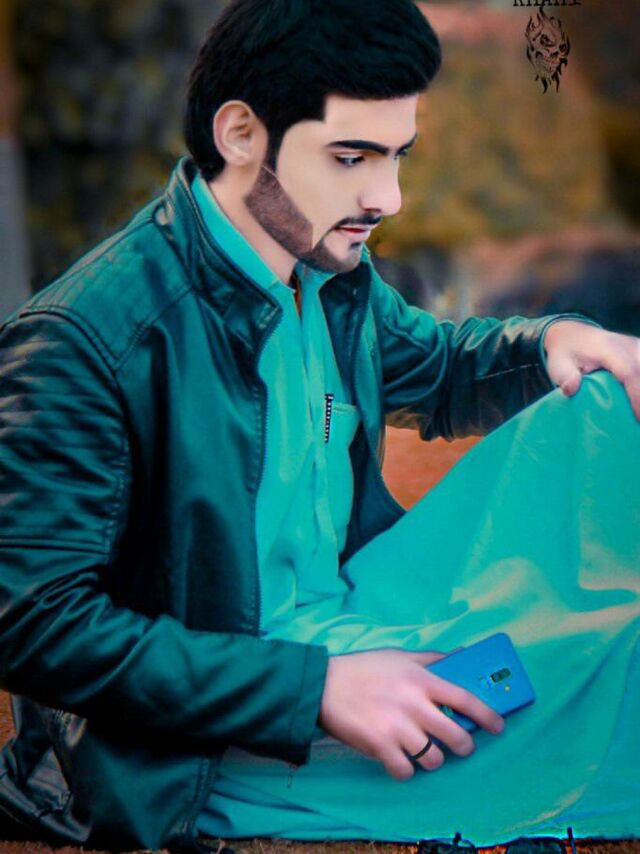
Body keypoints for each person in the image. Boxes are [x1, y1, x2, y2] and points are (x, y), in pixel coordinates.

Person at [0, 1, 638, 852]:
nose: (388, 198)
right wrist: (316, 689)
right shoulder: (86, 338)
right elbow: (35, 623)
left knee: (606, 412)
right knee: (615, 676)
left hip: (364, 620)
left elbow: (440, 368)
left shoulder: (327, 273)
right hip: (217, 732)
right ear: (241, 135)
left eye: (398, 155)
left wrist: (553, 340)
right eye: (350, 158)